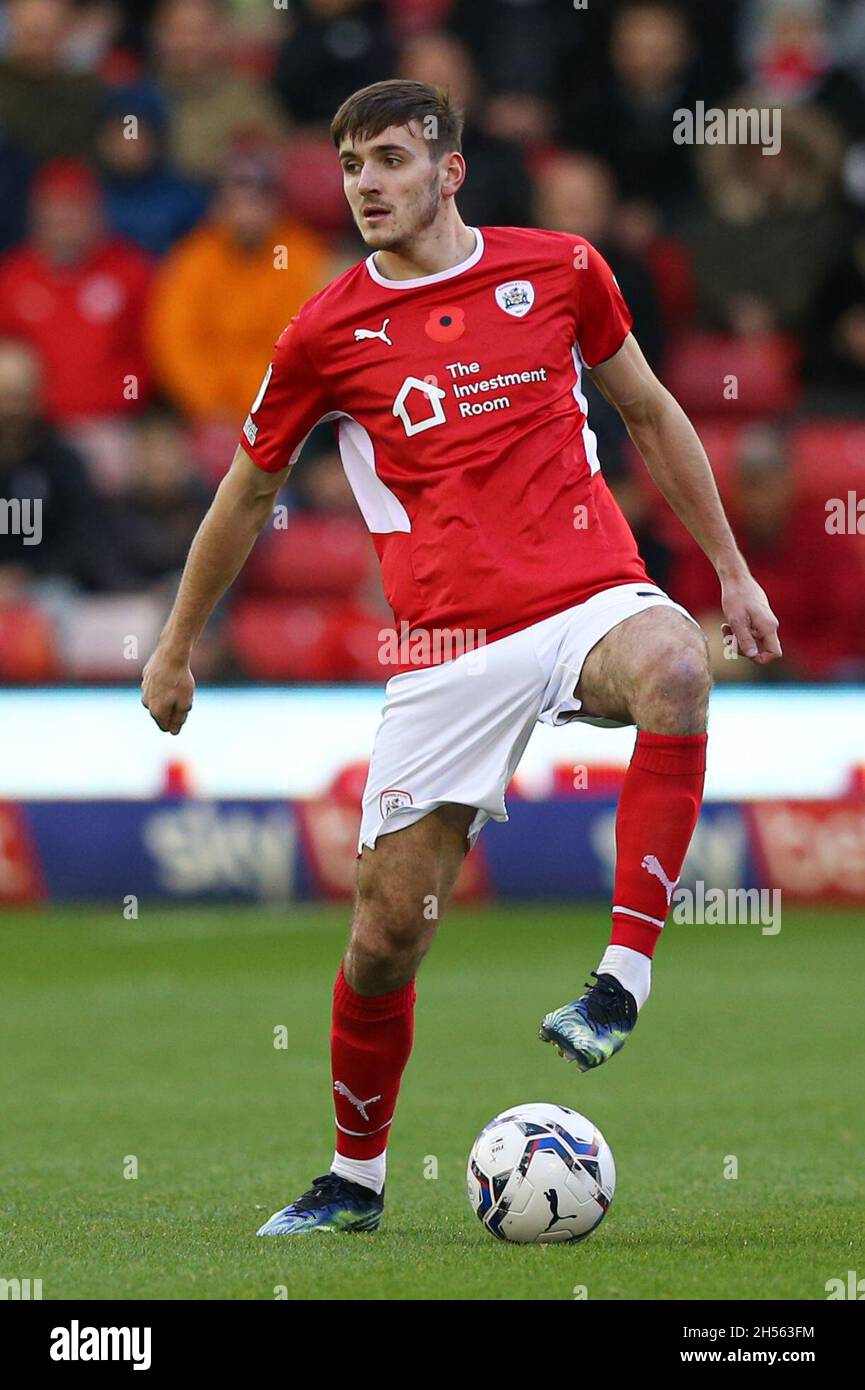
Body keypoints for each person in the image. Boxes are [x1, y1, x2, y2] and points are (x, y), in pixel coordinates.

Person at [141, 79, 781, 1236]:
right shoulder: (327, 330)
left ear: (448, 171)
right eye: (350, 166)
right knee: (386, 935)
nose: (368, 184)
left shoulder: (564, 270)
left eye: (390, 159)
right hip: (446, 646)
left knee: (677, 668)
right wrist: (176, 644)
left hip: (587, 593)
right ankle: (353, 1178)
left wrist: (728, 567)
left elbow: (646, 411)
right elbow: (248, 492)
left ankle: (618, 981)